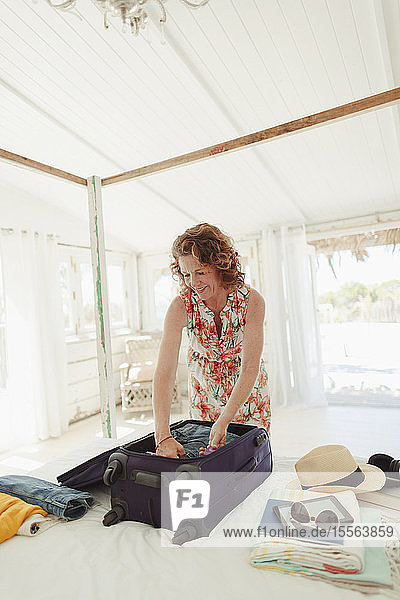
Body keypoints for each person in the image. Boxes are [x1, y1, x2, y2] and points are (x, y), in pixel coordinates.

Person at [152, 223, 271, 458]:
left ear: (220, 266)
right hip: (204, 402)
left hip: (248, 400)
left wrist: (225, 420)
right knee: (210, 476)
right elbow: (164, 372)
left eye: (200, 272)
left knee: (248, 470)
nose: (193, 282)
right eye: (186, 274)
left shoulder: (252, 301)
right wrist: (162, 435)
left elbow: (249, 367)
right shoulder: (180, 307)